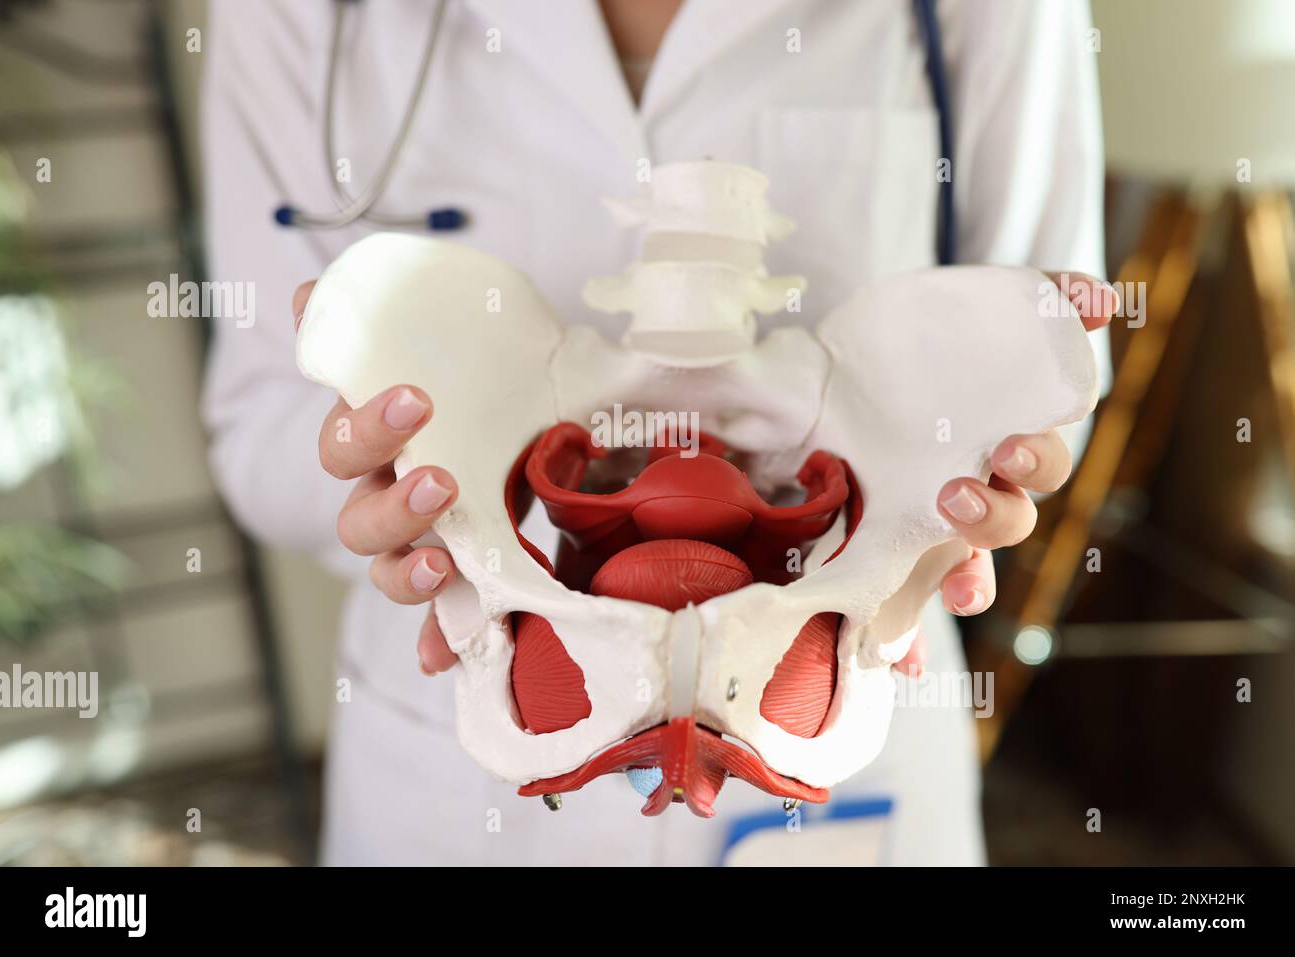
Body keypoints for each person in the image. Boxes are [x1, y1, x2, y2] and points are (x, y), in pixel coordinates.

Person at [201, 0, 1115, 865]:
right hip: (450, 768)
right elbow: (262, 425)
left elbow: (1031, 369)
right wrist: (401, 503)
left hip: (832, 711)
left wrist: (964, 482)